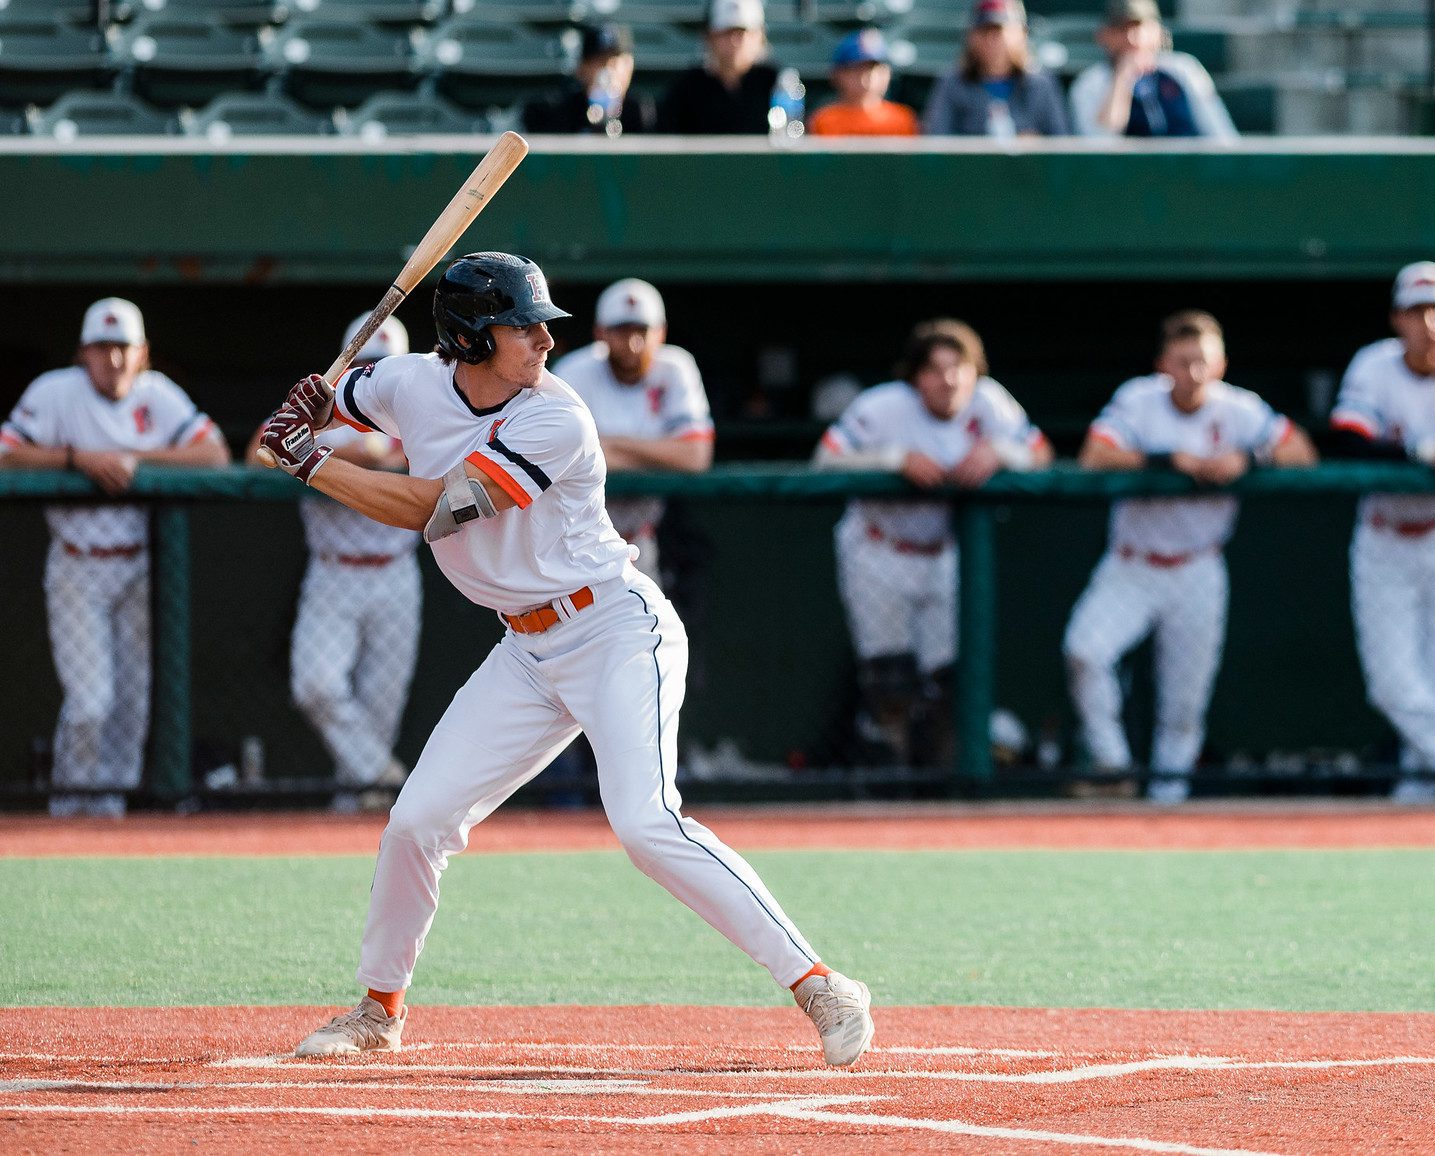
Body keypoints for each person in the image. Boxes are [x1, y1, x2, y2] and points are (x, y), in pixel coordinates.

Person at [257, 252, 873, 1067]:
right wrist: (314, 402)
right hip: (525, 647)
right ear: (471, 340)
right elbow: (347, 396)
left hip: (615, 629)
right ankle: (379, 1010)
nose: (545, 340)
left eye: (546, 325)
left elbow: (431, 510)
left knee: (647, 825)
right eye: (524, 326)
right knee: (416, 820)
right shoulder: (409, 381)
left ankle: (820, 983)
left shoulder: (556, 419)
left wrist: (308, 459)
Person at [1064, 311, 1315, 803]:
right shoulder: (1140, 401)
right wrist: (1166, 460)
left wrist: (1249, 459)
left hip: (1198, 567)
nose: (1194, 372)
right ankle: (1113, 767)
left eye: (1203, 360)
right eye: (1183, 361)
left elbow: (1302, 452)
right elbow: (1095, 455)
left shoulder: (1239, 410)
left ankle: (1166, 808)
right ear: (1164, 365)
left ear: (1220, 363)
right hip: (1133, 565)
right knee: (1085, 652)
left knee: (1184, 706)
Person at [0, 298, 228, 818]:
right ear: (84, 353)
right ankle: (69, 806)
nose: (115, 361)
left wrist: (133, 457)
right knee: (90, 703)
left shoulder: (157, 395)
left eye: (124, 348)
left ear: (143, 353)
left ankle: (110, 814)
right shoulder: (55, 392)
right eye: (103, 349)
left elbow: (213, 454)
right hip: (78, 564)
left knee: (132, 704)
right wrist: (77, 458)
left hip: (139, 568)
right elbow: (6, 453)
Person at [813, 319, 1052, 766]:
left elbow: (1041, 453)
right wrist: (893, 460)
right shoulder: (884, 407)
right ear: (915, 376)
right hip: (879, 548)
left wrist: (1002, 453)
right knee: (890, 683)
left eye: (958, 368)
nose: (948, 381)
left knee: (950, 682)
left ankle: (942, 784)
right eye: (935, 369)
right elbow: (826, 458)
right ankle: (896, 773)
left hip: (943, 553)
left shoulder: (990, 404)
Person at [1330, 261, 1435, 803]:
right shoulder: (1374, 364)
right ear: (1396, 318)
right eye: (1417, 311)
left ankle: (1421, 794)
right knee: (1389, 683)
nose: (1430, 322)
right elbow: (1348, 437)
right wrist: (1425, 450)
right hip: (1384, 534)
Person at [248, 314, 420, 813]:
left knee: (380, 711)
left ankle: (352, 819)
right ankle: (383, 778)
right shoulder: (312, 410)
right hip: (333, 571)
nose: (374, 378)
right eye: (365, 365)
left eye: (385, 368)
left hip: (395, 572)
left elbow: (388, 452)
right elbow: (260, 447)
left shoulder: (420, 414)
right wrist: (334, 446)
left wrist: (317, 453)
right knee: (316, 685)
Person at [550, 278, 713, 584]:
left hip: (642, 540)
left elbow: (696, 455)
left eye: (642, 331)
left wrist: (608, 447)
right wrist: (658, 452)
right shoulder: (573, 371)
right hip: (575, 544)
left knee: (654, 629)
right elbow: (561, 459)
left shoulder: (675, 368)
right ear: (600, 333)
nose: (633, 344)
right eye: (621, 331)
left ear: (661, 333)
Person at [1067, 0, 1238, 139]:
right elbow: (1098, 149)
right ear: (1104, 35)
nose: (1132, 38)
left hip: (1190, 174)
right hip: (1128, 177)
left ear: (1159, 32)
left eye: (1140, 27)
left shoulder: (1184, 70)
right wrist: (1122, 78)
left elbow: (1221, 135)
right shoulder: (1089, 84)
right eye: (1122, 29)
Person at [921, 0, 1069, 139]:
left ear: (1021, 34)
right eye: (984, 31)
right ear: (972, 36)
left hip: (1029, 167)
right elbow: (936, 142)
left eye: (1000, 31)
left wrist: (1036, 147)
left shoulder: (1041, 85)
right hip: (969, 167)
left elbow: (1060, 145)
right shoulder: (952, 83)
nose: (992, 40)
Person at [657, 0, 778, 135]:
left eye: (742, 32)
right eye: (726, 32)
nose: (734, 41)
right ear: (709, 36)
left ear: (759, 36)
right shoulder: (685, 89)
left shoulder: (777, 84)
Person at [522, 23, 655, 136]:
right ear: (582, 68)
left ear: (630, 65)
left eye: (615, 62)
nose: (608, 71)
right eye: (599, 62)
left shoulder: (640, 111)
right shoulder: (557, 109)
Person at [808, 28, 918, 138]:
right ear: (838, 74)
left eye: (873, 68)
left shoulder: (902, 119)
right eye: (857, 69)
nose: (867, 76)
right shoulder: (824, 120)